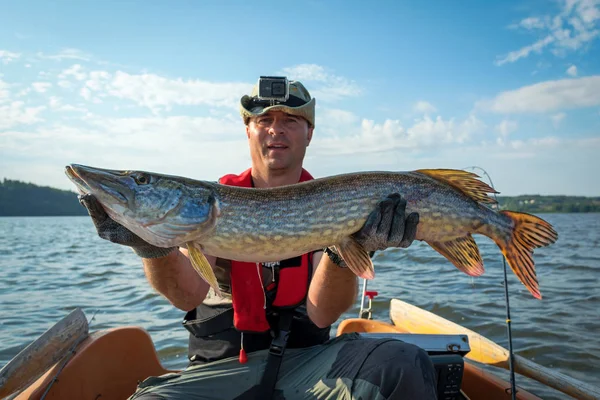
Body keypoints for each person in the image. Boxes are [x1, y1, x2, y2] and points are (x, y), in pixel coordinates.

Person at [79, 78, 437, 399]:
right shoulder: (213, 206)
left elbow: (323, 312)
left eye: (290, 121)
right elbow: (185, 294)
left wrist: (347, 253)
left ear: (309, 133)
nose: (275, 130)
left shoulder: (331, 201)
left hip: (311, 367)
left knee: (403, 361)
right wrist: (150, 246)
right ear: (247, 130)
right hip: (217, 369)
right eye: (264, 121)